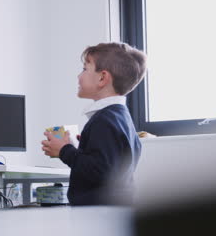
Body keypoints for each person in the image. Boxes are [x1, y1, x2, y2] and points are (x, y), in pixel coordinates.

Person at [41, 42, 147, 206]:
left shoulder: (105, 120)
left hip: (99, 213)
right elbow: (108, 165)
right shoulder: (119, 117)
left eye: (85, 69)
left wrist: (64, 151)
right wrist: (77, 148)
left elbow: (100, 171)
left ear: (102, 78)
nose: (78, 76)